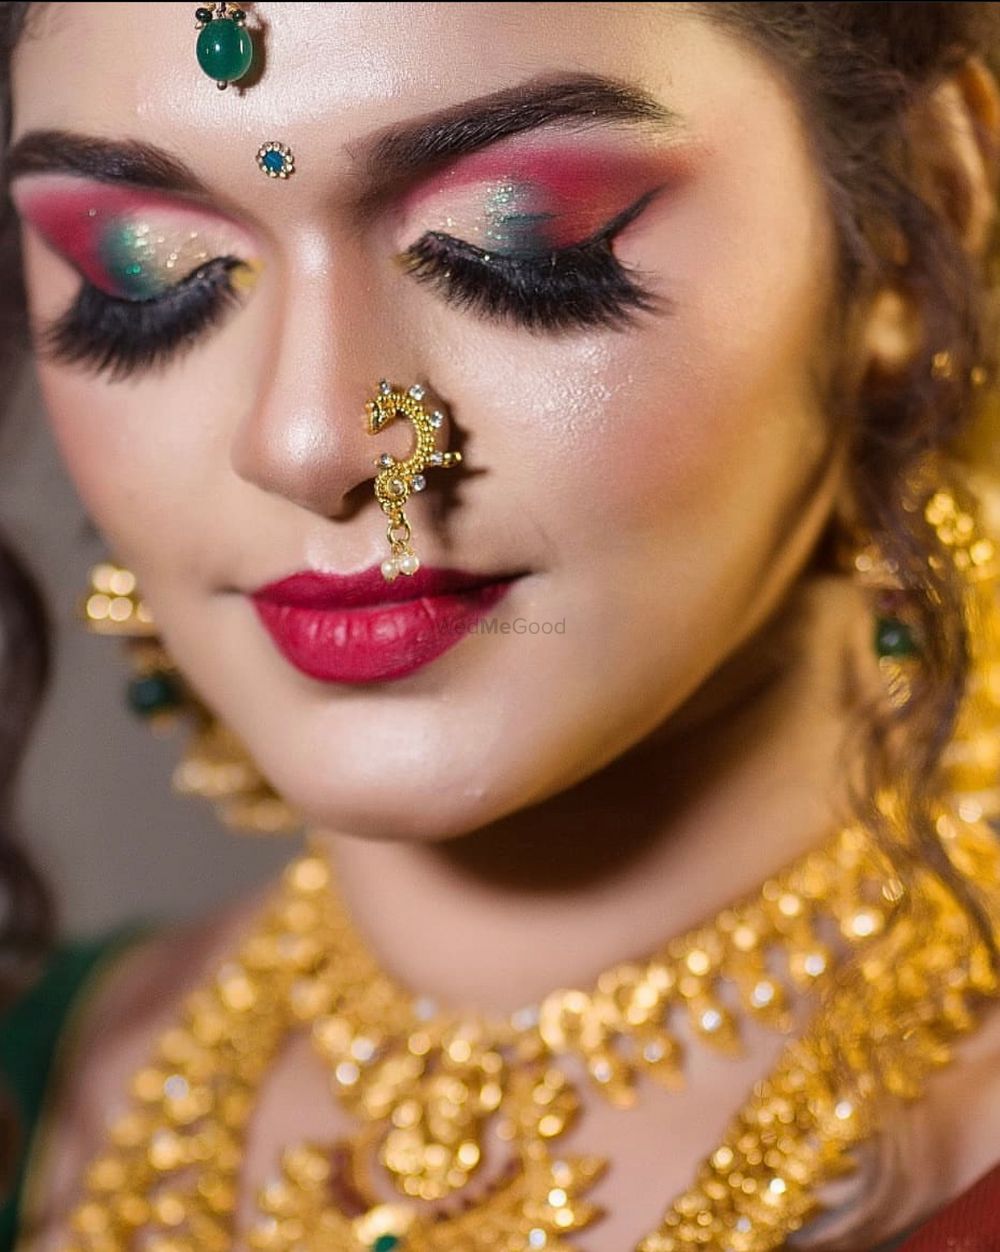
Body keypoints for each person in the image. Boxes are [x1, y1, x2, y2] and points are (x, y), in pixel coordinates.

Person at [1, 2, 1000, 1249]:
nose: (309, 442)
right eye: (140, 271)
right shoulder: (38, 1101)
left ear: (925, 217)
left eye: (516, 240)